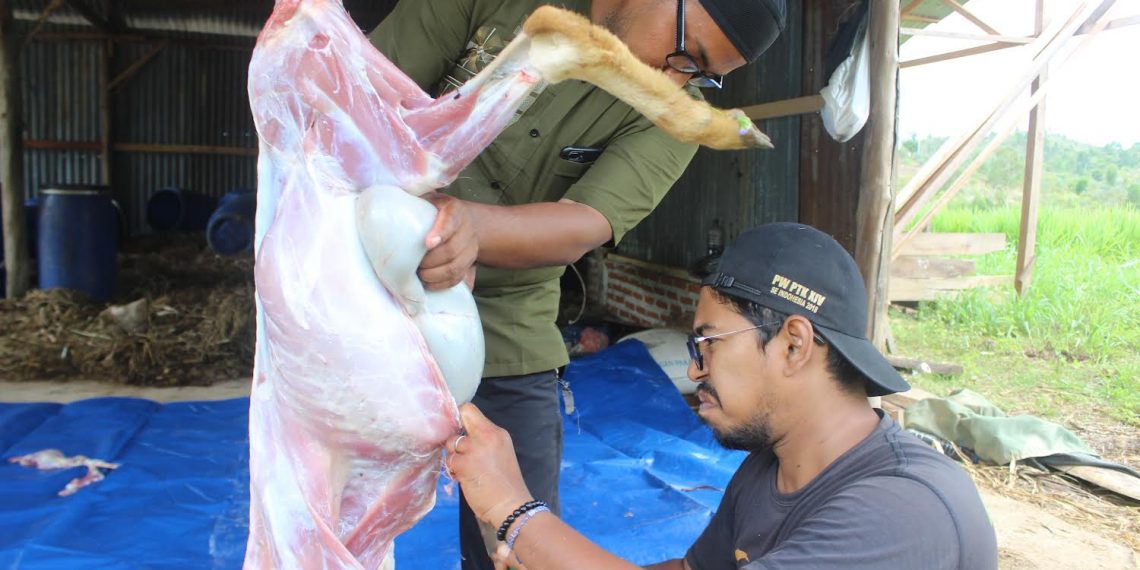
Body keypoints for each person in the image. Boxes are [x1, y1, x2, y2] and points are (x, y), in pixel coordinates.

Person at [369, 1, 787, 568]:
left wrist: (468, 230)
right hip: (365, 281)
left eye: (700, 74)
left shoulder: (676, 112)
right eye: (687, 54)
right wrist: (411, 224)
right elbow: (365, 100)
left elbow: (584, 223)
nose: (675, 78)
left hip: (506, 325)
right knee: (331, 503)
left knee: (519, 543)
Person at [445, 222, 1000, 570]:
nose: (692, 369)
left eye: (707, 342)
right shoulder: (768, 471)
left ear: (793, 345)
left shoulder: (899, 512)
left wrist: (516, 510)